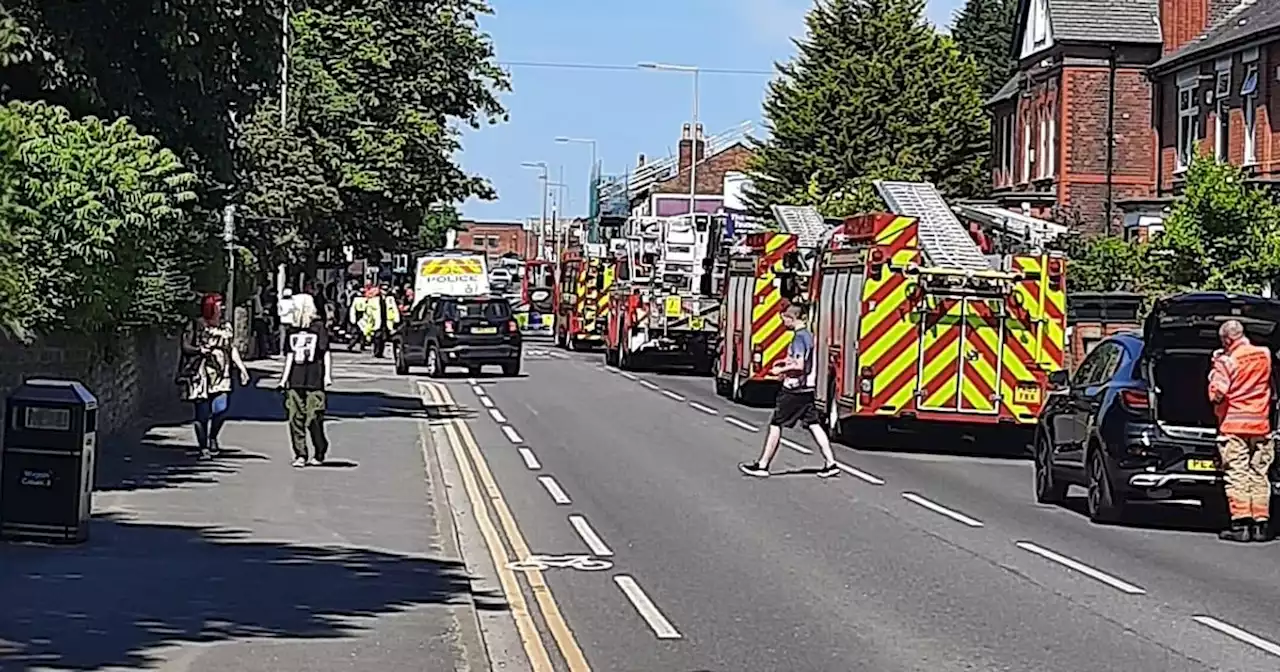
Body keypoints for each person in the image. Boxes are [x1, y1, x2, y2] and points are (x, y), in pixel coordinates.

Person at [739, 303, 840, 479]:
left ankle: (763, 465)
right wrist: (785, 363)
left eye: (784, 318)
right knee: (814, 424)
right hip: (807, 388)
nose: (783, 322)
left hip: (794, 389)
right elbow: (799, 361)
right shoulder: (808, 336)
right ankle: (831, 463)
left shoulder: (799, 338)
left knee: (776, 424)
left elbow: (799, 365)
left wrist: (781, 371)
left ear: (791, 318)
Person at [1208, 319, 1274, 542]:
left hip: (1234, 425)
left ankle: (1241, 524)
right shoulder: (1264, 354)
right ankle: (1261, 525)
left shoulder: (1227, 361)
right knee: (1259, 473)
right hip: (1261, 425)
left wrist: (1214, 370)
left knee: (1237, 474)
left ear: (1226, 339)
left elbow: (1217, 392)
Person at [177, 293, 250, 459]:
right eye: (219, 304)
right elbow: (185, 346)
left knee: (221, 408)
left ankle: (213, 436)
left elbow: (231, 348)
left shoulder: (226, 326)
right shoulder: (197, 325)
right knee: (202, 414)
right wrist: (200, 351)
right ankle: (203, 447)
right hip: (201, 374)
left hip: (221, 373)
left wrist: (241, 368)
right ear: (210, 307)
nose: (222, 307)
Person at [279, 293, 334, 467]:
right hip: (295, 379)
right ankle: (300, 454)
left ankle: (320, 448)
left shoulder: (318, 327)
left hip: (314, 378)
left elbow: (325, 353)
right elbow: (289, 355)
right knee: (295, 417)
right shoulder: (292, 330)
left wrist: (327, 376)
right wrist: (283, 379)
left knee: (313, 416)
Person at [277, 288, 297, 357]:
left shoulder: (280, 302)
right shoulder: (293, 302)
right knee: (290, 337)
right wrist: (289, 311)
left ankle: (282, 351)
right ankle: (290, 351)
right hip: (290, 321)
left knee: (283, 337)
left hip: (283, 321)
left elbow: (279, 313)